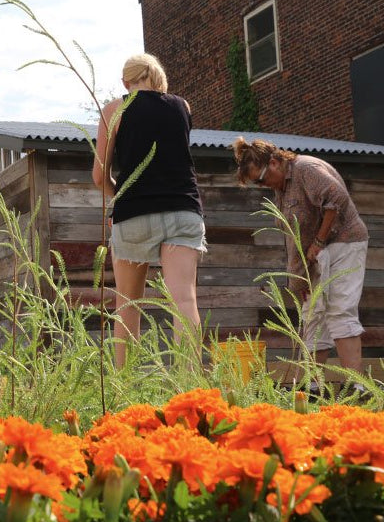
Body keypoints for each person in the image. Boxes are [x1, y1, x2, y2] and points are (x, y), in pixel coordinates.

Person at [92, 53, 206, 369]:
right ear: (157, 78)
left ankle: (124, 387)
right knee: (184, 300)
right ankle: (191, 385)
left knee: (128, 303)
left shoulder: (115, 109)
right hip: (183, 209)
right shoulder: (182, 106)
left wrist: (122, 196)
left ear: (126, 82)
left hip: (134, 213)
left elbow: (99, 176)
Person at [232, 137, 367, 375]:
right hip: (317, 256)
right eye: (257, 183)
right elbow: (294, 237)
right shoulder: (281, 188)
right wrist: (300, 278)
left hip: (344, 243)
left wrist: (319, 240)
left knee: (339, 309)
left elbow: (337, 197)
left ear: (273, 162)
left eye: (261, 179)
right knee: (313, 314)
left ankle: (356, 386)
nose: (262, 185)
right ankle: (314, 385)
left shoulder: (306, 169)